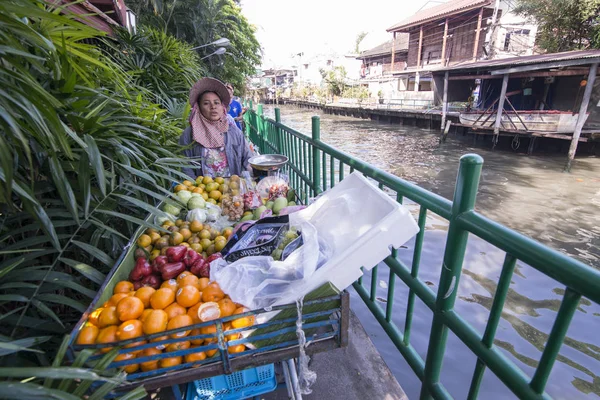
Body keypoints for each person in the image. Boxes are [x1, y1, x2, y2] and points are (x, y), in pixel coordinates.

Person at [180, 77, 253, 179]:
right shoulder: (189, 134)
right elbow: (185, 166)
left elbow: (248, 159)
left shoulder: (234, 132)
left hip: (231, 190)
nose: (213, 107)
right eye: (206, 103)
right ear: (199, 108)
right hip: (203, 192)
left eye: (216, 102)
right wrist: (195, 188)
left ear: (222, 106)